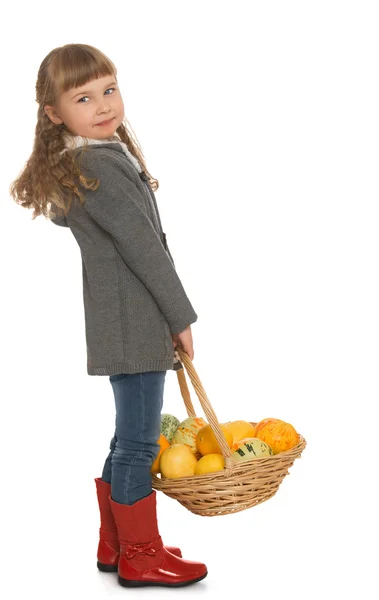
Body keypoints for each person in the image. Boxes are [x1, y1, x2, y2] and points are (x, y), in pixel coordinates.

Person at [9, 43, 207, 588]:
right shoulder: (97, 163)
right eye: (83, 97)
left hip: (120, 320)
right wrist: (180, 316)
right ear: (54, 114)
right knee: (140, 443)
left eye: (109, 90)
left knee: (128, 437)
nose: (103, 106)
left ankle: (117, 542)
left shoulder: (85, 161)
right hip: (137, 321)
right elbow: (145, 250)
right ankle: (140, 555)